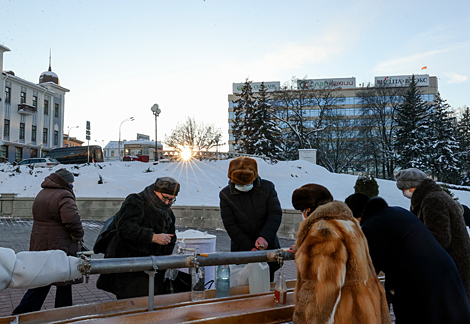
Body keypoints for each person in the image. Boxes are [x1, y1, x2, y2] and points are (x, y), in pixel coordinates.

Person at [345, 195, 470, 323]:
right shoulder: (397, 212)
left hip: (421, 287)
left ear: (357, 216)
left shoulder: (372, 226)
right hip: (444, 274)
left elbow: (367, 267)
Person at [291, 184, 390, 324]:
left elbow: (324, 288)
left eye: (302, 210)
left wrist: (304, 319)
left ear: (308, 210)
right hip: (365, 309)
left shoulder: (322, 231)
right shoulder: (348, 223)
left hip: (345, 314)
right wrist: (305, 248)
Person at [96, 176, 190, 299]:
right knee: (131, 307)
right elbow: (125, 229)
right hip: (131, 268)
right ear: (155, 191)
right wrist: (152, 237)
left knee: (151, 305)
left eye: (172, 200)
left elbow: (170, 234)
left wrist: (169, 244)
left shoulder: (168, 212)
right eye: (165, 198)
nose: (167, 203)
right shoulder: (136, 201)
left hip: (154, 269)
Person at [12, 168, 84, 315]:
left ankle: (25, 313)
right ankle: (61, 314)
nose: (72, 185)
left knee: (41, 279)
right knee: (63, 278)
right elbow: (72, 220)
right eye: (71, 183)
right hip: (59, 244)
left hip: (41, 241)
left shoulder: (42, 193)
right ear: (65, 182)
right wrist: (78, 236)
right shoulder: (64, 195)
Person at [396, 168, 470, 301]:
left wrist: (411, 246)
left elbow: (440, 238)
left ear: (412, 187)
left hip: (451, 269)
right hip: (449, 267)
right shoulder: (428, 198)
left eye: (403, 188)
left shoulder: (432, 200)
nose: (403, 193)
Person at [219, 156, 282, 282]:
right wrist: (249, 247)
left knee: (266, 284)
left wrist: (264, 237)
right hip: (242, 250)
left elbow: (275, 214)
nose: (243, 187)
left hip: (267, 247)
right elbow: (230, 225)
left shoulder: (267, 187)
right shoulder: (226, 194)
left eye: (247, 184)